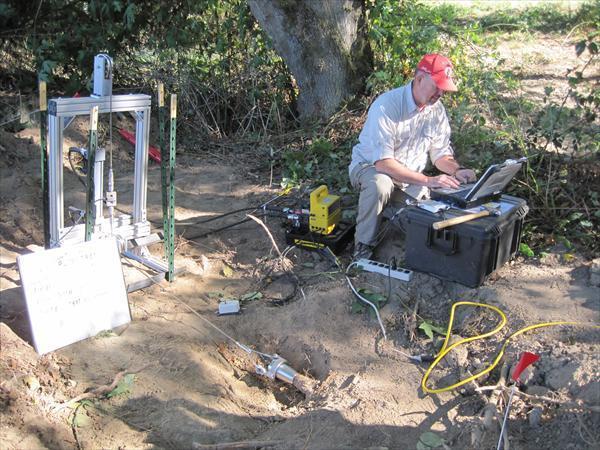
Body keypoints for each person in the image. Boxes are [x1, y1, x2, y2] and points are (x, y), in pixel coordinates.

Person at [349, 53, 476, 260]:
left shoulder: (436, 111)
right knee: (380, 184)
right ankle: (362, 249)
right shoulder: (387, 106)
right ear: (419, 79)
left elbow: (441, 155)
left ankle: (389, 213)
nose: (440, 93)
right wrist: (429, 180)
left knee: (421, 222)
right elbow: (383, 164)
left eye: (444, 89)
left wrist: (457, 170)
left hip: (409, 179)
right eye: (437, 86)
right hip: (370, 168)